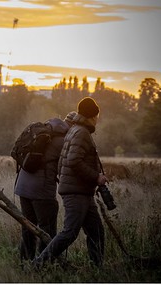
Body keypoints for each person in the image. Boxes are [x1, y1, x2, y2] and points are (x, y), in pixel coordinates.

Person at [34, 97, 108, 268]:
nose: (98, 118)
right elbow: (74, 161)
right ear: (92, 116)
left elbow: (65, 161)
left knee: (96, 231)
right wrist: (96, 177)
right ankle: (38, 264)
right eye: (97, 115)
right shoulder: (81, 132)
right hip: (77, 192)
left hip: (82, 191)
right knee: (69, 233)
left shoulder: (75, 129)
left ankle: (97, 270)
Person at [14, 112, 75, 262]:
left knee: (28, 228)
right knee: (47, 231)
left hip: (23, 187)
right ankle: (44, 265)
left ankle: (25, 263)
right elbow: (68, 168)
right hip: (42, 191)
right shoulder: (63, 141)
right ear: (72, 126)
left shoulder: (43, 131)